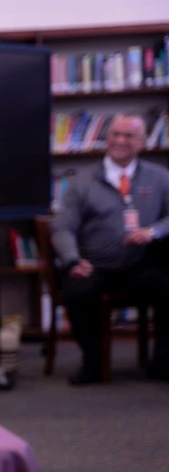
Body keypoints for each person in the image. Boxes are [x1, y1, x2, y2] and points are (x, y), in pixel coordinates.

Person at [52, 114, 169, 385]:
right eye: (115, 134)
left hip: (142, 265)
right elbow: (63, 227)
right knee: (76, 288)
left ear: (142, 142)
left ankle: (162, 362)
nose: (120, 141)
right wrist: (73, 260)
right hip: (95, 266)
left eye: (128, 136)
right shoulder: (83, 181)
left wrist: (152, 232)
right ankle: (93, 364)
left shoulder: (160, 177)